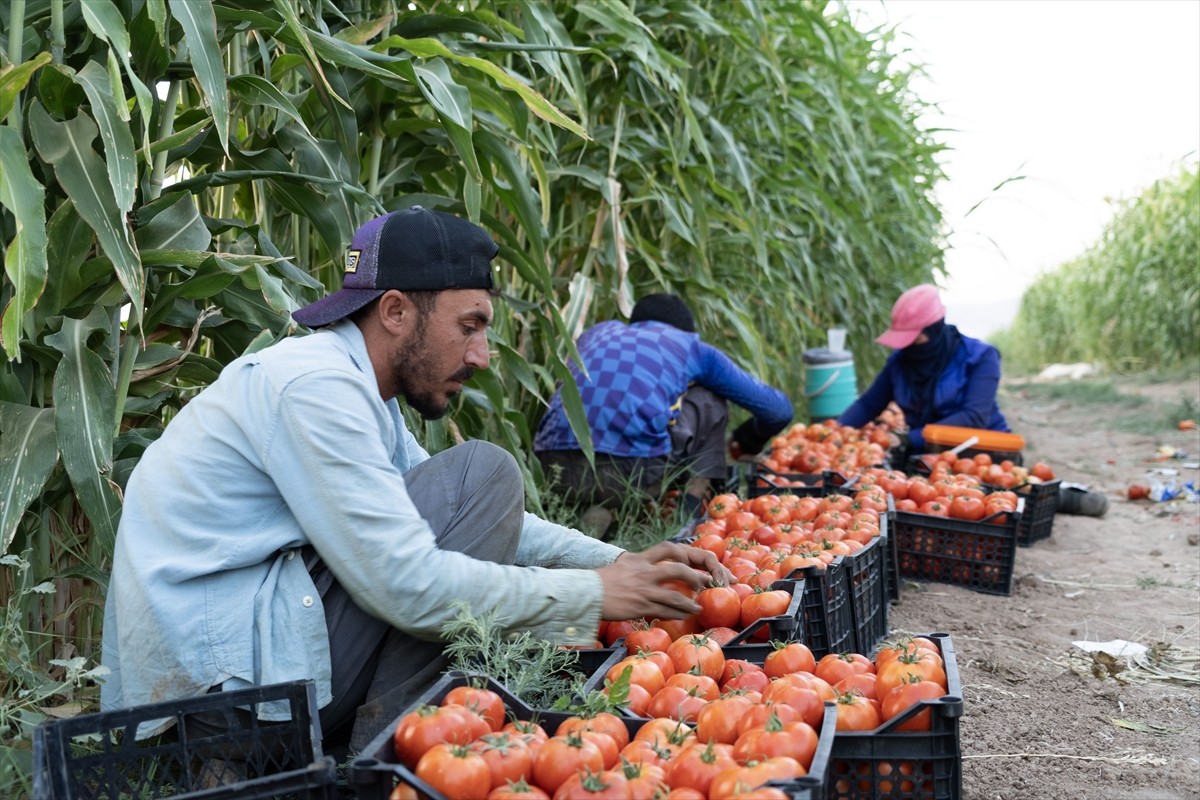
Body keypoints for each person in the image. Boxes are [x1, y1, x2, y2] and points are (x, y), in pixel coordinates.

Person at [100, 206, 731, 756]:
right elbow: (406, 584)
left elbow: (487, 523)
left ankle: (386, 742)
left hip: (243, 665)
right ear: (396, 311)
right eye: (470, 325)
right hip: (222, 700)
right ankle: (386, 748)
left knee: (478, 487)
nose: (482, 355)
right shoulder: (316, 390)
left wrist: (621, 562)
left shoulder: (357, 390)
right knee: (485, 472)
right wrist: (590, 595)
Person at [839, 283, 1106, 516]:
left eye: (914, 338)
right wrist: (836, 431)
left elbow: (973, 416)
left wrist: (910, 438)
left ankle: (1061, 497)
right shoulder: (900, 362)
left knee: (995, 498)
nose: (907, 345)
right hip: (929, 456)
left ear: (933, 329)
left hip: (983, 451)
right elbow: (869, 404)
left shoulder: (979, 357)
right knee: (923, 498)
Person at [533, 293, 794, 531]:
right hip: (628, 471)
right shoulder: (690, 346)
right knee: (709, 398)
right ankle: (688, 512)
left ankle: (596, 510)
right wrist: (747, 439)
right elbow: (778, 410)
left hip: (551, 466)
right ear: (685, 331)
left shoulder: (596, 333)